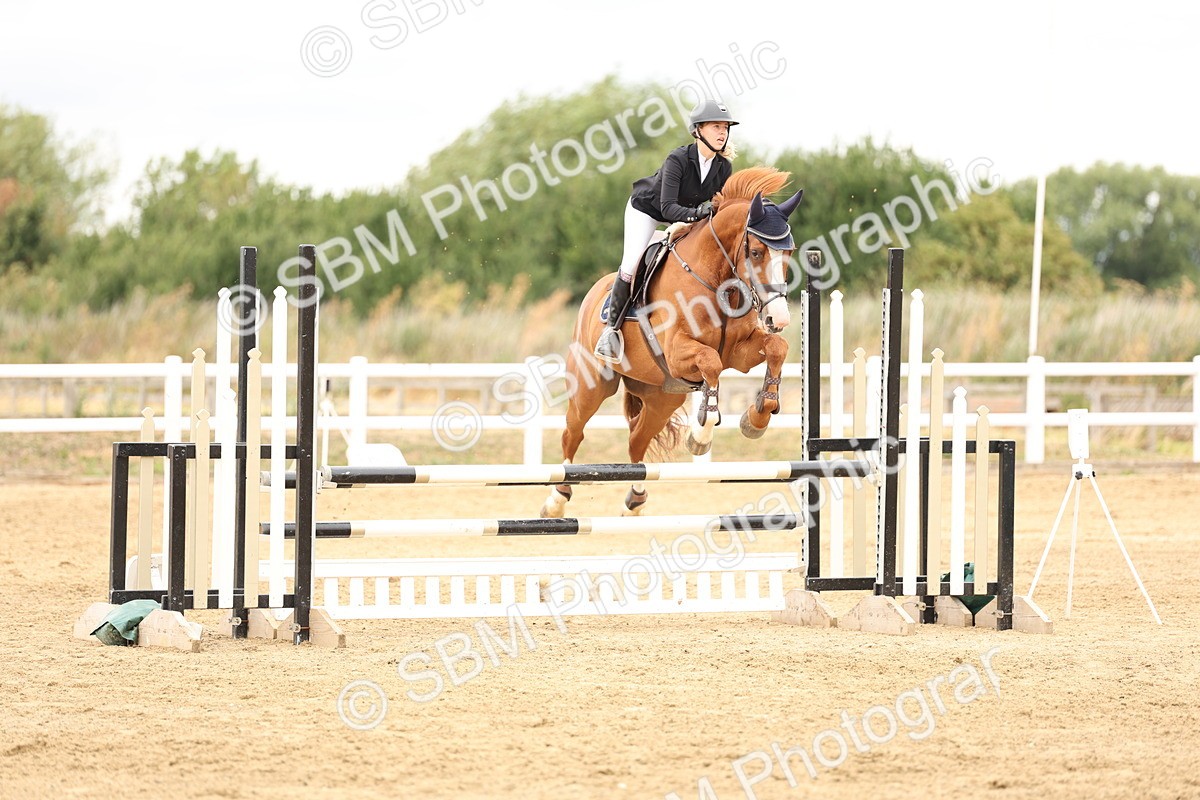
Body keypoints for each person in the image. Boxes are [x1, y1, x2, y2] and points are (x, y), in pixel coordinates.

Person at [593, 99, 739, 364]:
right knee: (632, 262)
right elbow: (668, 207)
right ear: (698, 130)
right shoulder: (678, 159)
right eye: (716, 126)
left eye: (726, 128)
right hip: (648, 211)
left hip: (685, 218)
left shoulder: (723, 168)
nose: (723, 133)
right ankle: (610, 331)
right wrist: (698, 214)